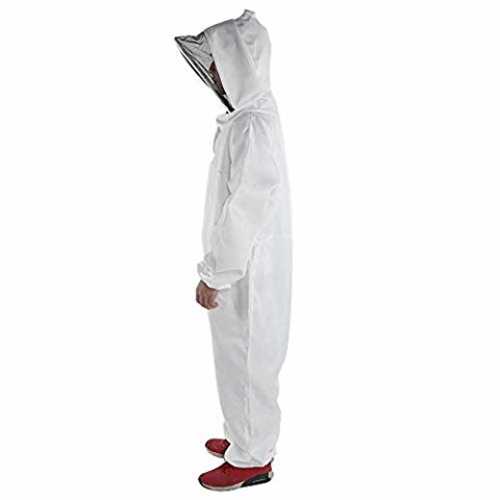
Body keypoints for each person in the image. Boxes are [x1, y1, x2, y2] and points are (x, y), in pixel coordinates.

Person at [175, 9, 292, 491]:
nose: (215, 74)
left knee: (247, 356)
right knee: (239, 355)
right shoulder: (248, 118)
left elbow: (245, 206)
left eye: (220, 63)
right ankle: (245, 435)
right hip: (245, 263)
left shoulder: (251, 125)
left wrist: (215, 272)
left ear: (242, 62)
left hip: (246, 269)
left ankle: (252, 458)